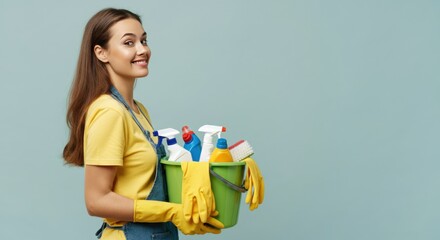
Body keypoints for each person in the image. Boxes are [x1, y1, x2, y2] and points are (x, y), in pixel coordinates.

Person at [63, 8, 223, 240]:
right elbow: (96, 201)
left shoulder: (138, 110)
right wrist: (171, 212)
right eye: (129, 42)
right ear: (101, 53)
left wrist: (218, 177)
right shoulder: (109, 112)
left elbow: (142, 182)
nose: (143, 50)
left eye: (143, 40)